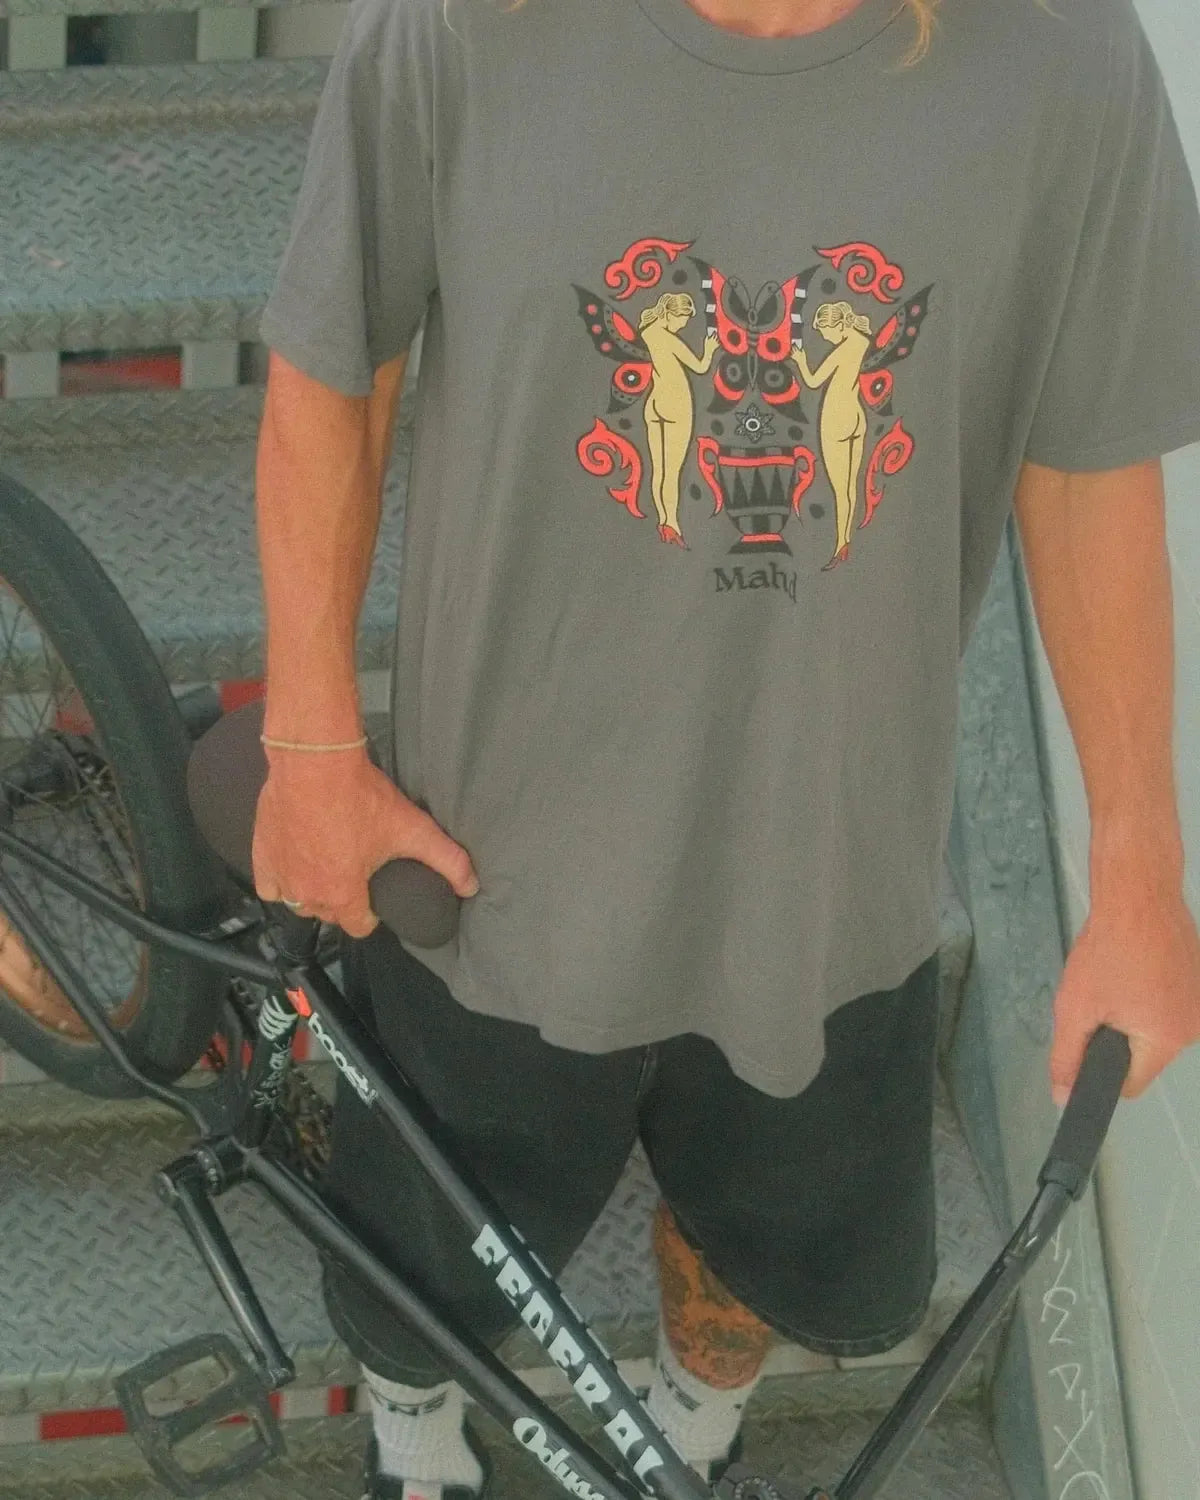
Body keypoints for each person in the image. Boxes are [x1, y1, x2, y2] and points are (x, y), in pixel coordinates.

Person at [252, 0, 1200, 1494]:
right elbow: (334, 369)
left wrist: (1142, 865)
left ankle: (688, 1432)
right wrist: (310, 743)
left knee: (766, 1249)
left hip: (827, 878)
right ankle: (417, 1436)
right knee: (419, 1253)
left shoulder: (1065, 63)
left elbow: (1087, 472)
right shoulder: (460, 26)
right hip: (486, 875)